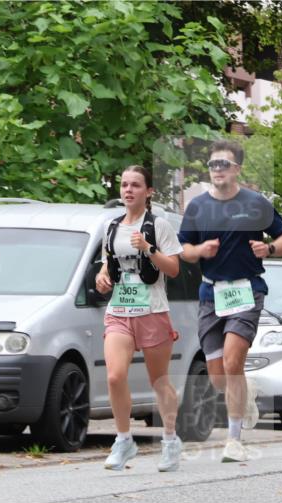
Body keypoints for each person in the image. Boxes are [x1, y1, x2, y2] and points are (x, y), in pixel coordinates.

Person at [178, 139, 282, 462]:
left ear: (237, 169)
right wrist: (200, 251)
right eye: (213, 164)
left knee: (233, 362)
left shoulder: (256, 203)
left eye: (223, 164)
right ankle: (246, 393)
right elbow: (184, 249)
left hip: (246, 291)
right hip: (210, 294)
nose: (217, 170)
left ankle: (234, 440)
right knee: (218, 376)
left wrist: (269, 249)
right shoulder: (198, 206)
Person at [97, 166, 185, 471]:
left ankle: (171, 441)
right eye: (124, 185)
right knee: (114, 376)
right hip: (119, 312)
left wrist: (148, 249)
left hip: (152, 312)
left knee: (158, 381)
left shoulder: (159, 226)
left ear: (148, 192)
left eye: (135, 185)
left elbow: (173, 269)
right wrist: (102, 278)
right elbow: (107, 265)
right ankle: (124, 440)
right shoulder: (111, 227)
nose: (128, 190)